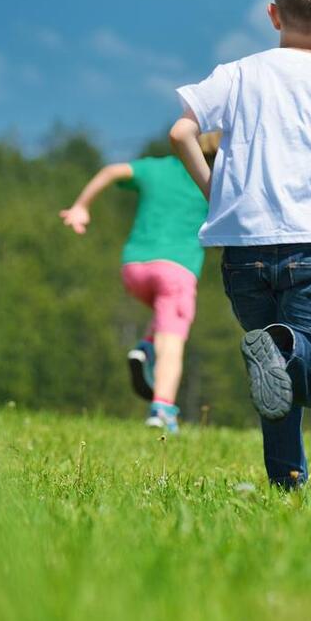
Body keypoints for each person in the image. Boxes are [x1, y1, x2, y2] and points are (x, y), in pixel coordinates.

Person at [169, 0, 311, 488]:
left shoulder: (236, 75)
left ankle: (286, 481)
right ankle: (283, 348)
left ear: (273, 13)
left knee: (274, 377)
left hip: (243, 250)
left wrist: (215, 192)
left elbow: (181, 132)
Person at [59, 134, 220, 433]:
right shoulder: (214, 183)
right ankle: (162, 408)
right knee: (171, 345)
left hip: (134, 268)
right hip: (177, 270)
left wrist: (81, 206)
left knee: (163, 314)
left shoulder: (156, 168)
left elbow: (110, 172)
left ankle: (145, 347)